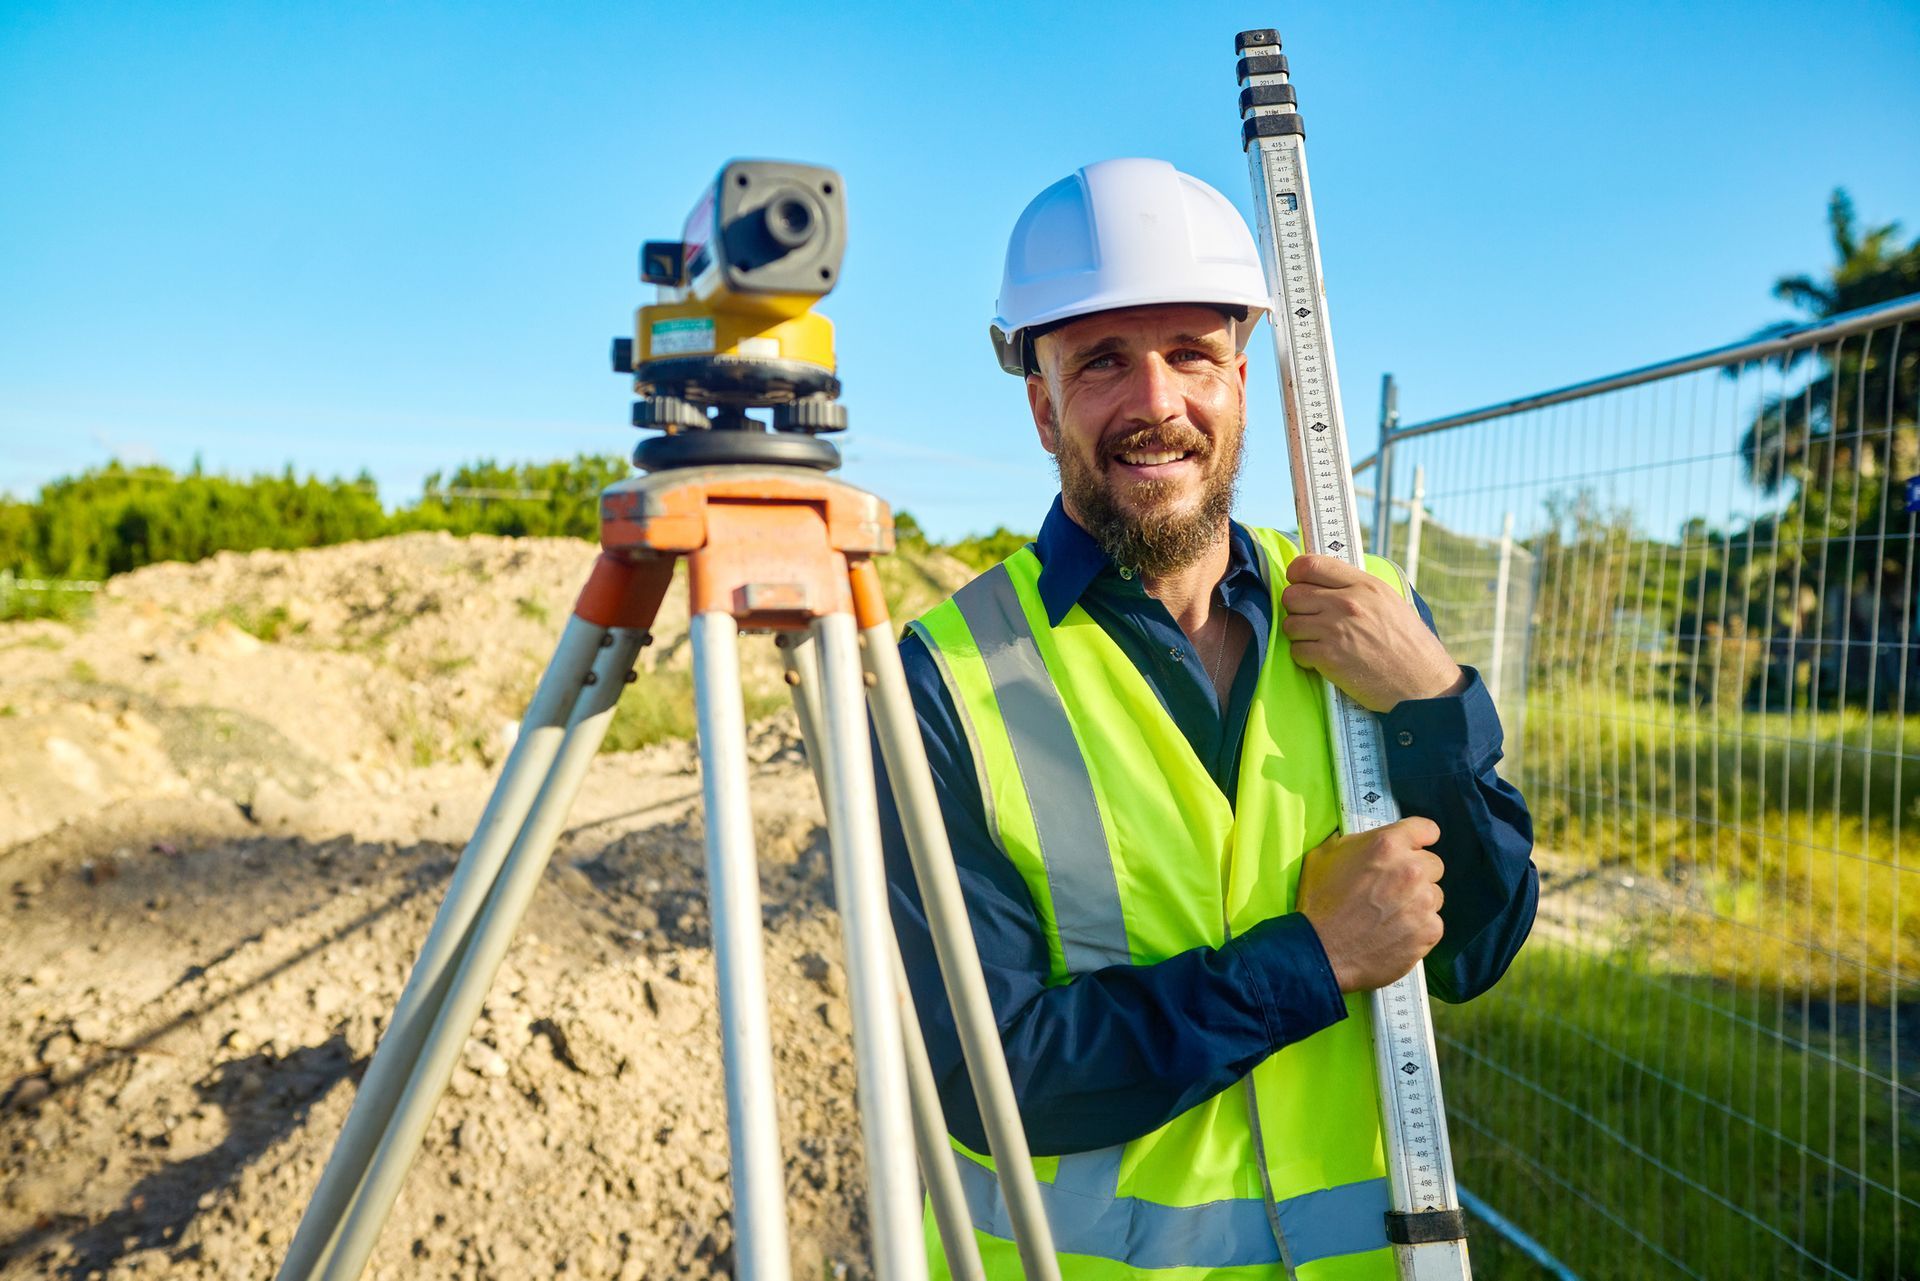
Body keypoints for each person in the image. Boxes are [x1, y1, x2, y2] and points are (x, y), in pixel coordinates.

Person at [876, 157, 1537, 1280]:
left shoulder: (1372, 616)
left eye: (1190, 353)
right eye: (1101, 360)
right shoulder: (941, 677)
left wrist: (1437, 702)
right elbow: (989, 1075)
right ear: (1042, 404)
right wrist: (1312, 959)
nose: (1156, 402)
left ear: (1239, 378)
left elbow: (1477, 947)